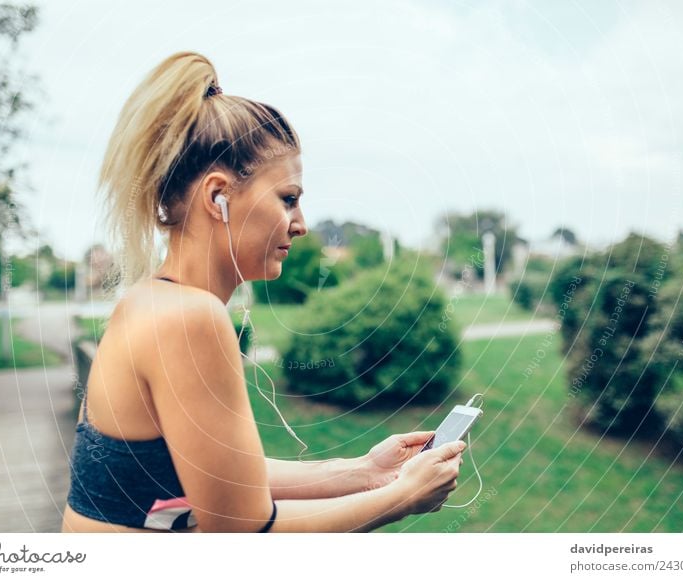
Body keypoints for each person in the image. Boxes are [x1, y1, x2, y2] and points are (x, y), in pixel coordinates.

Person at [61, 51, 466, 533]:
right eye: (288, 199)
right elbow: (244, 531)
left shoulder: (148, 301)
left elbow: (219, 478)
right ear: (218, 197)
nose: (301, 225)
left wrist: (364, 472)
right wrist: (402, 497)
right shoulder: (190, 319)